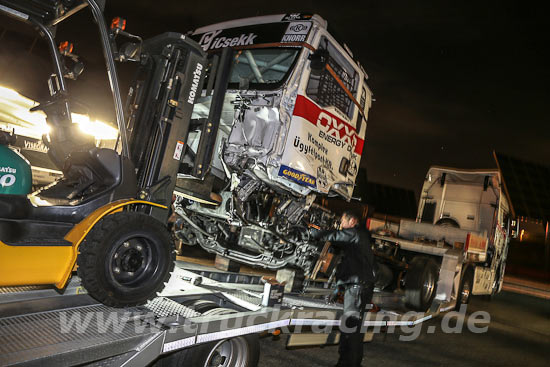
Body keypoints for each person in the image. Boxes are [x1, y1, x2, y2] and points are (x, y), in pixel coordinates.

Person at [312, 210, 376, 367]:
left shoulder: (356, 234)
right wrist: (338, 288)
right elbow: (347, 266)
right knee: (352, 327)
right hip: (358, 286)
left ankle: (350, 364)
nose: (341, 225)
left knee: (351, 327)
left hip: (358, 288)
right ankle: (346, 362)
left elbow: (335, 236)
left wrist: (314, 232)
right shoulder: (360, 236)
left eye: (342, 222)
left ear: (352, 221)